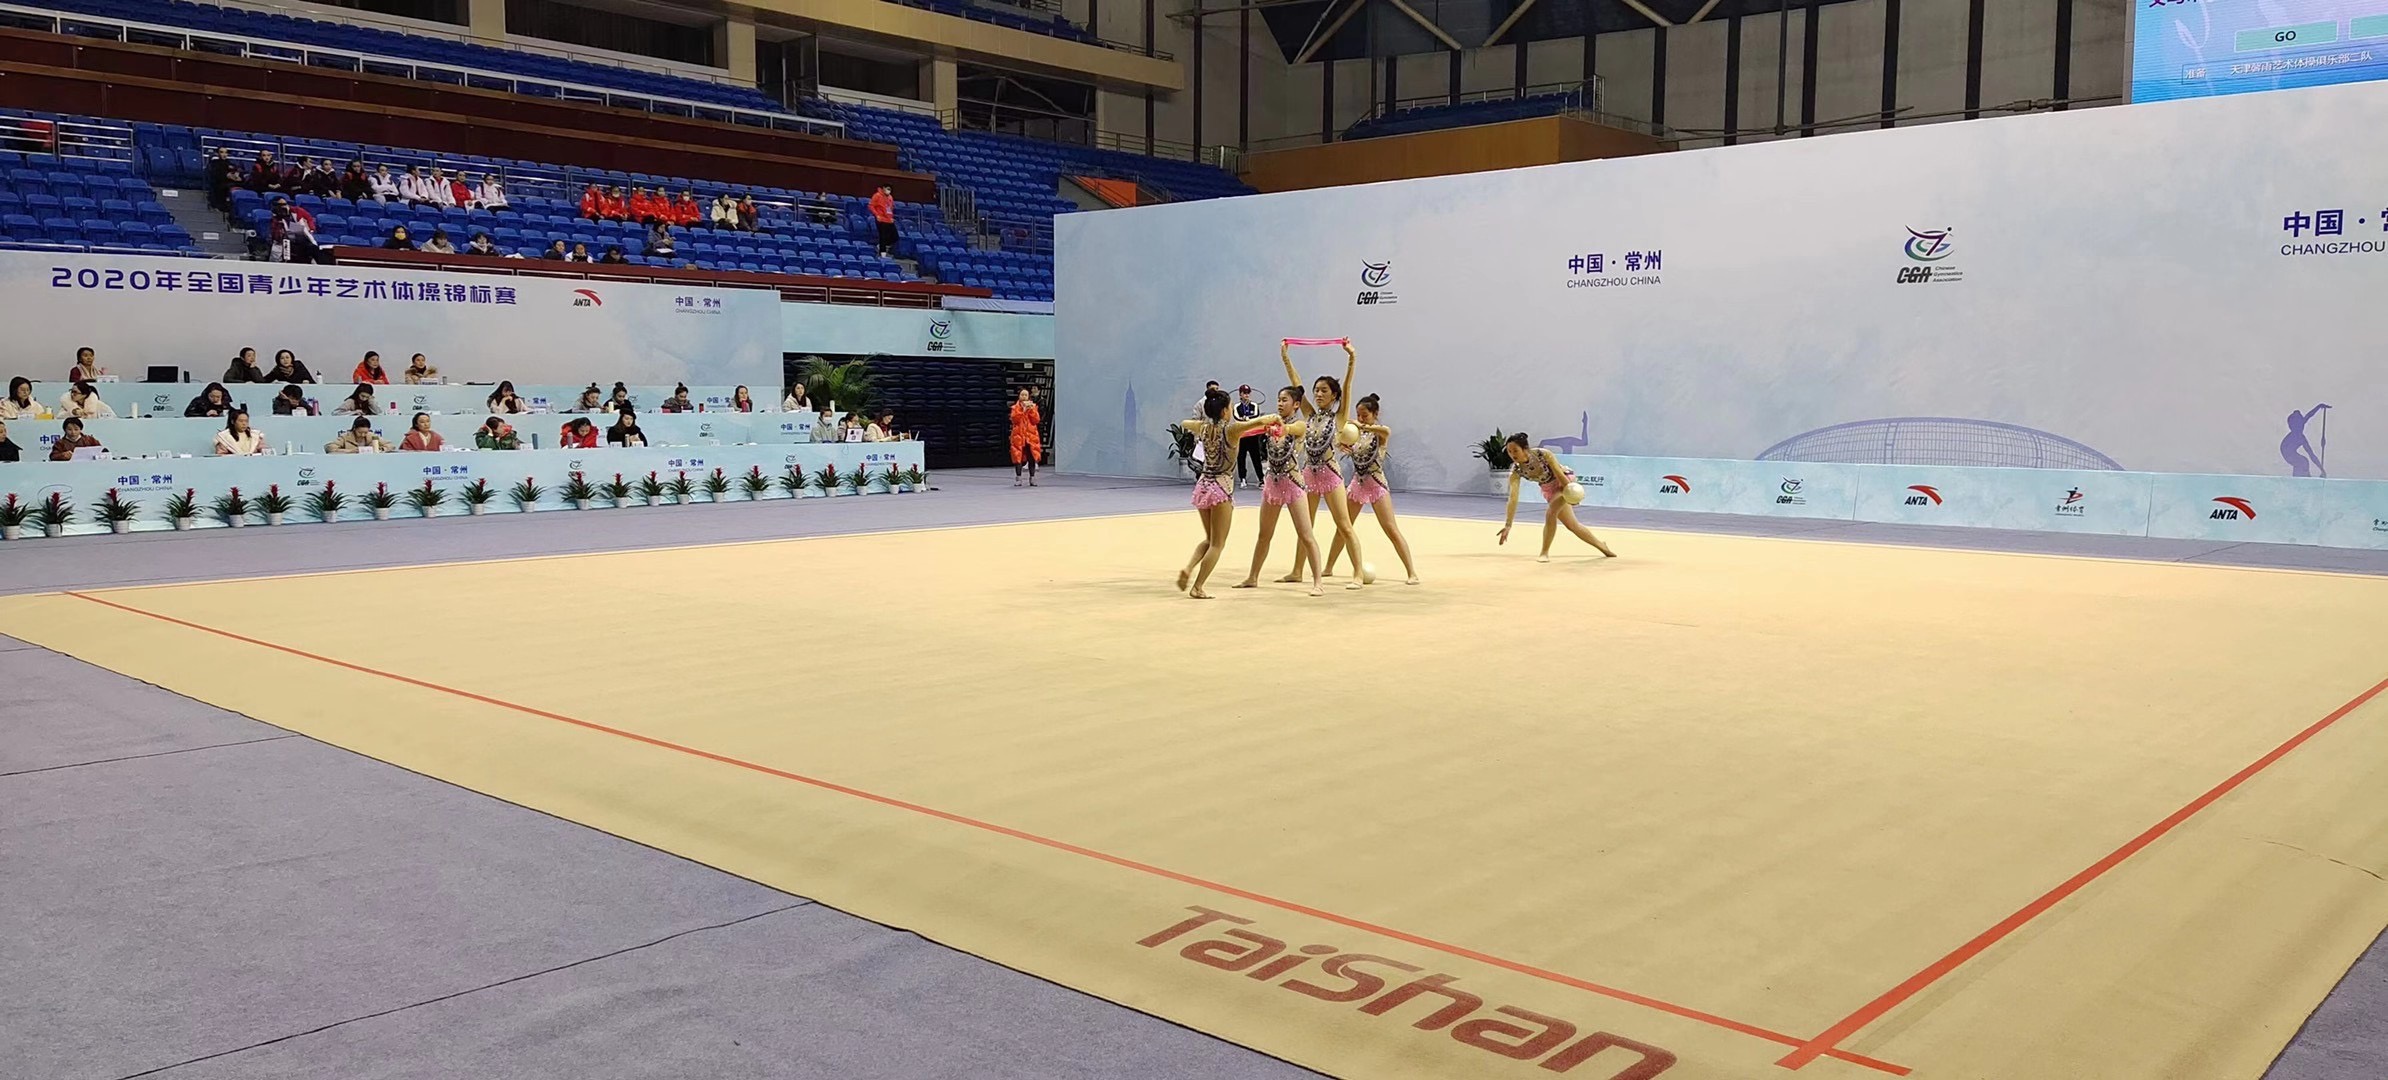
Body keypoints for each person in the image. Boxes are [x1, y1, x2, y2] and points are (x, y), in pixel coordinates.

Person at [1280, 342, 1369, 587]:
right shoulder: (1309, 414)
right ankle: (1297, 570)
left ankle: (1358, 574)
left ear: (1334, 396)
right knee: (1305, 526)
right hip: (1309, 475)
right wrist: (1286, 356)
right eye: (1316, 390)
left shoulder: (1339, 417)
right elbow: (1296, 385)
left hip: (1330, 475)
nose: (1318, 394)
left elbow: (1348, 386)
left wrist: (1352, 357)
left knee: (1344, 525)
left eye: (1324, 391)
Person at [1174, 388, 1278, 599]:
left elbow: (1185, 423)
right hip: (1221, 487)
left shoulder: (1203, 428)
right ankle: (1198, 586)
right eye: (1230, 407)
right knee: (1217, 544)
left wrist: (1199, 422)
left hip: (1203, 485)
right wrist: (1274, 419)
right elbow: (1257, 422)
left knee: (1209, 539)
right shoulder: (1231, 430)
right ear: (1224, 411)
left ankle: (1189, 567)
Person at [1232, 386, 1325, 595]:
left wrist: (1279, 427)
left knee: (1306, 535)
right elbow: (1247, 429)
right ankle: (1252, 577)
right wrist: (1257, 424)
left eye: (1285, 400)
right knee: (1264, 535)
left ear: (1296, 404)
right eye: (1279, 400)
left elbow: (1292, 429)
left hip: (1292, 484)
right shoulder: (1271, 422)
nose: (1280, 403)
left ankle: (1318, 582)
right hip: (1272, 485)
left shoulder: (1299, 425)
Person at [1321, 394, 1419, 584]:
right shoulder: (1356, 433)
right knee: (1343, 527)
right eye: (1358, 415)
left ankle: (1411, 572)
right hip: (1358, 484)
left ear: (1375, 414)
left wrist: (1361, 426)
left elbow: (1386, 431)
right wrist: (1343, 444)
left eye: (1365, 415)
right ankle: (1328, 567)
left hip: (1376, 483)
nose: (1361, 418)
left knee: (1390, 529)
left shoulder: (1379, 433)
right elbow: (1342, 440)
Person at [1499, 432, 1619, 561]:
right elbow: (1513, 497)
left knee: (1551, 513)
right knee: (1572, 525)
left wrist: (1571, 493)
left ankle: (1544, 552)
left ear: (1525, 449)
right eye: (1509, 451)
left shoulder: (1542, 454)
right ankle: (1602, 546)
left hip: (1563, 482)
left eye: (1515, 450)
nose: (1512, 454)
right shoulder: (1516, 471)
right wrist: (1508, 525)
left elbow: (1558, 473)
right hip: (1549, 489)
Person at [267, 197, 325, 264]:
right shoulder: (275, 218)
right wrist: (279, 222)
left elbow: (309, 218)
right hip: (287, 241)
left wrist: (311, 229)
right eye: (281, 205)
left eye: (285, 204)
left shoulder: (297, 211)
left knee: (313, 248)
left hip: (302, 238)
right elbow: (276, 235)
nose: (284, 206)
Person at [1232, 384, 1265, 488]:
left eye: (1248, 393)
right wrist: (1244, 419)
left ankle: (1261, 479)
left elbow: (1256, 416)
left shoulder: (1254, 405)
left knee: (1256, 458)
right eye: (1244, 393)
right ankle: (1243, 478)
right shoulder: (1236, 406)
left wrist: (1246, 419)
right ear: (1240, 394)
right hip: (1242, 436)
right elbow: (1236, 417)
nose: (1246, 395)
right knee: (1241, 458)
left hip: (1253, 436)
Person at [1009, 388, 1041, 486]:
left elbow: (1036, 420)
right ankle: (1018, 478)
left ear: (1028, 397)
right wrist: (1022, 410)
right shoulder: (1015, 407)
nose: (1023, 397)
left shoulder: (1033, 407)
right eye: (1022, 395)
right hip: (1018, 435)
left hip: (1030, 436)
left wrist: (1031, 410)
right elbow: (1014, 419)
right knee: (1017, 457)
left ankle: (1032, 478)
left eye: (1025, 395)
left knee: (1032, 457)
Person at [325, 416, 391, 453]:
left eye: (365, 432)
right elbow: (329, 448)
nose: (363, 435)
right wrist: (349, 451)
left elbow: (390, 445)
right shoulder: (345, 437)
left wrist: (381, 449)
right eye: (360, 432)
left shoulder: (372, 436)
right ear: (354, 429)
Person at [869, 185, 896, 256]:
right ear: (883, 188)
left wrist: (891, 217)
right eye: (887, 189)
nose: (889, 191)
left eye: (890, 189)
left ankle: (881, 245)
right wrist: (877, 215)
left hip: (889, 219)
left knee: (895, 237)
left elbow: (891, 207)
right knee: (883, 236)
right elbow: (871, 206)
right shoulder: (877, 195)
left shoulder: (890, 197)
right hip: (881, 219)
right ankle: (883, 254)